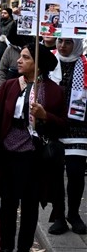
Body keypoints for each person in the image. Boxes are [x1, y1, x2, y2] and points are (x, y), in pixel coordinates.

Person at [0, 44, 67, 252]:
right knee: (8, 206)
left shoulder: (53, 91)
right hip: (8, 154)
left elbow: (63, 125)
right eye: (21, 57)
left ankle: (24, 248)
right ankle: (5, 247)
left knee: (30, 208)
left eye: (26, 58)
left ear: (38, 65)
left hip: (34, 158)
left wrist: (46, 117)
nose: (19, 60)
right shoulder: (10, 85)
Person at [48, 38, 87, 235]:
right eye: (60, 41)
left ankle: (74, 214)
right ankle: (59, 216)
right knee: (55, 174)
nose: (63, 46)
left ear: (77, 45)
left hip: (79, 127)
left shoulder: (85, 64)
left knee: (76, 173)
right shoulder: (49, 61)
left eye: (68, 42)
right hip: (54, 125)